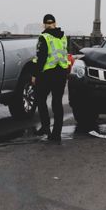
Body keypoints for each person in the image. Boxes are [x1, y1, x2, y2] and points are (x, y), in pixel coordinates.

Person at [32, 14, 69, 144]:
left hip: (48, 73)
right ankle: (56, 133)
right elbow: (65, 53)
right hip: (62, 72)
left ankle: (46, 127)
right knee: (57, 102)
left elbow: (41, 58)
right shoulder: (63, 36)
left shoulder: (44, 37)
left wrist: (35, 75)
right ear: (55, 23)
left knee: (40, 99)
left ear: (44, 24)